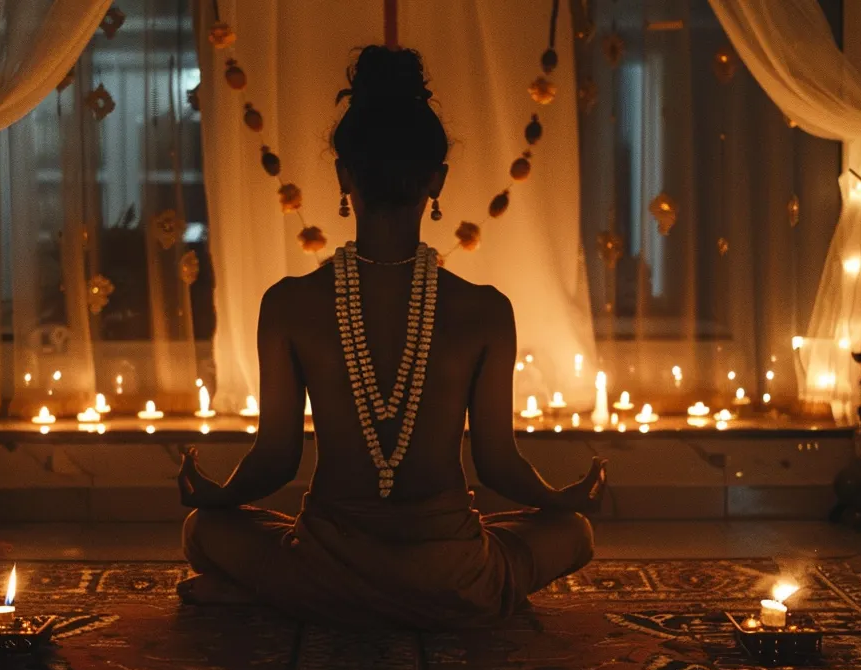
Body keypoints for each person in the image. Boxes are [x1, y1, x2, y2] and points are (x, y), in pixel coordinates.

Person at [176, 45, 606, 630]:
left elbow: (276, 459)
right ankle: (421, 598)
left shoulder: (288, 304)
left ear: (343, 175)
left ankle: (290, 593)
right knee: (572, 534)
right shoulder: (485, 310)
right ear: (437, 179)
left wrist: (213, 495)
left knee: (204, 531)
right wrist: (563, 500)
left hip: (325, 562)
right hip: (452, 569)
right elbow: (497, 464)